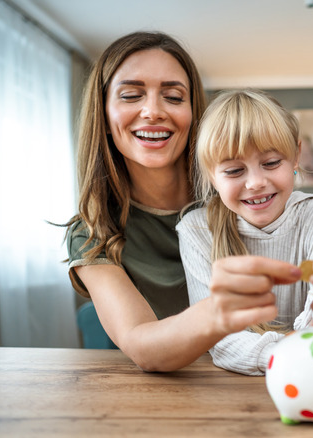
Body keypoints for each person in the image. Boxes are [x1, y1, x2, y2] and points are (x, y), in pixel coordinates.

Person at [64, 32, 282, 372]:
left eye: (174, 97)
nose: (153, 111)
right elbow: (142, 345)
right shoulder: (92, 233)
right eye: (132, 95)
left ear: (194, 113)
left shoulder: (243, 196)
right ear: (104, 117)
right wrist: (219, 311)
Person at [176, 89, 313, 376]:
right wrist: (293, 353)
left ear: (295, 158)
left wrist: (284, 352)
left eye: (270, 163)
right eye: (233, 171)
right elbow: (221, 340)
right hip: (241, 388)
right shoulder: (196, 229)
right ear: (211, 177)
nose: (255, 182)